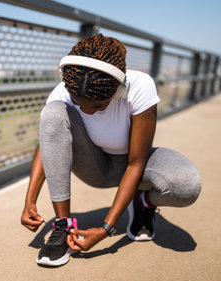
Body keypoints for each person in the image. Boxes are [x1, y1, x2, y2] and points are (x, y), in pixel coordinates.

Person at [20, 34, 201, 267]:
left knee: (187, 186)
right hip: (97, 167)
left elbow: (136, 163)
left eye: (97, 105)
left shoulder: (139, 86)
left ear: (118, 89)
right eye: (78, 103)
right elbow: (48, 143)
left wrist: (106, 229)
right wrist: (30, 201)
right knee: (52, 113)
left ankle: (143, 201)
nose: (88, 111)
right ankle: (63, 225)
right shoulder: (64, 91)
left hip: (138, 165)